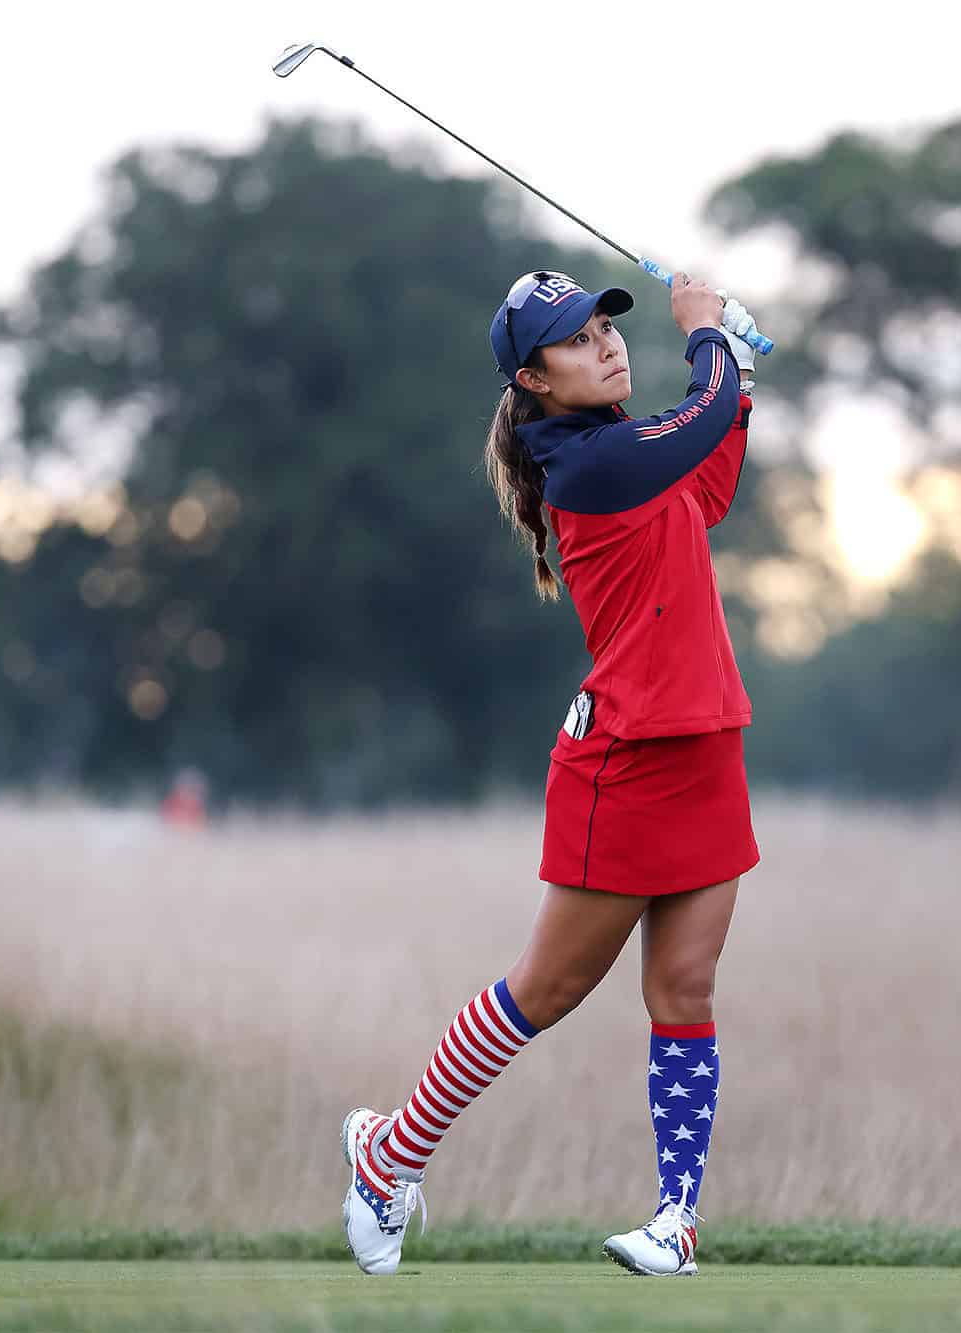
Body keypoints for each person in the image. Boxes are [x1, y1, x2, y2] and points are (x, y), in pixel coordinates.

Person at [339, 269, 763, 1278]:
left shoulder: (636, 450)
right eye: (578, 339)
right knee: (551, 986)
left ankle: (675, 1220)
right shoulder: (585, 462)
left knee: (687, 986)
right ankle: (386, 1154)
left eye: (606, 327)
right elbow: (691, 428)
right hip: (620, 759)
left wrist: (738, 378)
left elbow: (710, 475)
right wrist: (712, 338)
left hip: (707, 742)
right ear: (533, 377)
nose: (607, 343)